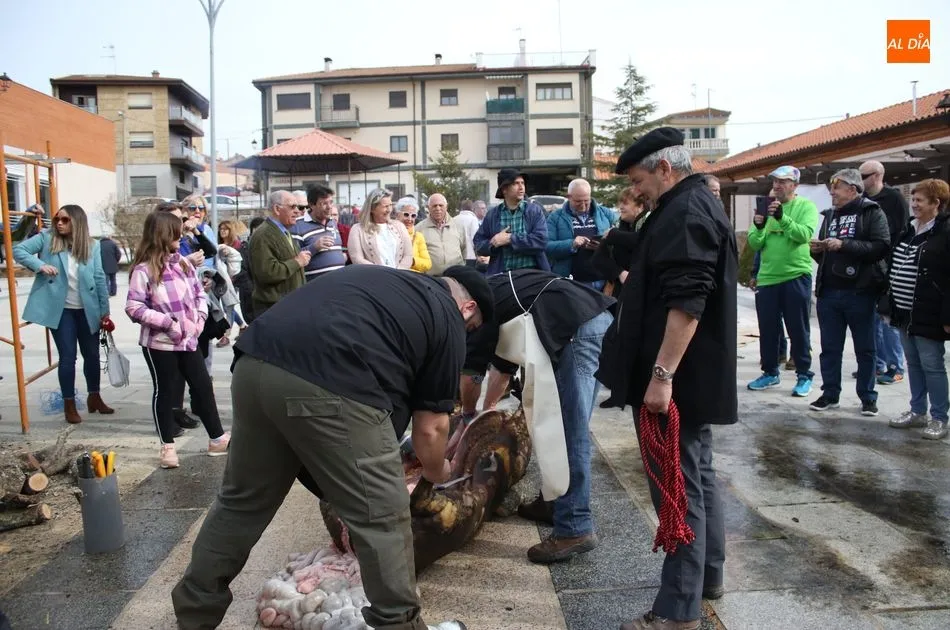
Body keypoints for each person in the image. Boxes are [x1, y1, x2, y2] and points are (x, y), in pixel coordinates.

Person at [170, 264, 491, 630]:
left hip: (253, 366)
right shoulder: (447, 315)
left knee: (240, 503)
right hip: (330, 383)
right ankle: (399, 625)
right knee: (382, 518)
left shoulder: (387, 281)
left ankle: (194, 616)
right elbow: (431, 430)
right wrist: (439, 472)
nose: (467, 335)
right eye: (472, 328)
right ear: (467, 308)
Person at [598, 128, 737, 630]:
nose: (636, 192)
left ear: (664, 168)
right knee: (697, 479)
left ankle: (678, 610)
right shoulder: (687, 204)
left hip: (679, 379)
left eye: (638, 180)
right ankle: (706, 580)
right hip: (688, 377)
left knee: (678, 492)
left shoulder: (685, 211)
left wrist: (661, 376)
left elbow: (687, 303)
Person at [462, 270, 614, 563]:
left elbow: (472, 378)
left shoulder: (478, 311)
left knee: (569, 430)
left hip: (574, 333)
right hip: (590, 321)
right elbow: (502, 371)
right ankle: (555, 502)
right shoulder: (490, 294)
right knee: (548, 419)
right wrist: (487, 409)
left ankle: (574, 526)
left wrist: (470, 416)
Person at [125, 211, 230, 469]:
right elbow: (133, 307)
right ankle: (167, 447)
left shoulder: (182, 263)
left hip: (189, 340)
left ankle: (217, 438)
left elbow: (199, 295)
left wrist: (199, 320)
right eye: (176, 230)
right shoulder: (143, 270)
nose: (181, 234)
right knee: (167, 391)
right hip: (159, 343)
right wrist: (168, 324)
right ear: (164, 233)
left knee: (202, 385)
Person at [14, 204, 113, 425]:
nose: (59, 223)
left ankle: (94, 397)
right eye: (57, 219)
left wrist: (104, 310)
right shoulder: (47, 238)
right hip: (61, 312)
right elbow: (18, 250)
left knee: (93, 356)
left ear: (77, 222)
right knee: (68, 358)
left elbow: (99, 278)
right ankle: (69, 404)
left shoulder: (92, 245)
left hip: (88, 310)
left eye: (65, 220)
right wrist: (40, 265)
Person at [808, 169, 890, 416]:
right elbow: (823, 255)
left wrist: (845, 245)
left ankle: (867, 397)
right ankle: (830, 394)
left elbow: (881, 247)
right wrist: (818, 249)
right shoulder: (831, 215)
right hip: (829, 292)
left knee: (865, 349)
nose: (832, 192)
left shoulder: (870, 211)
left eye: (837, 186)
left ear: (852, 190)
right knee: (830, 348)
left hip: (860, 292)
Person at [745, 166, 819, 398]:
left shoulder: (805, 206)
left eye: (783, 181)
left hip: (795, 275)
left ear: (795, 185)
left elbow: (804, 236)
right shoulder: (766, 207)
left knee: (798, 328)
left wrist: (782, 218)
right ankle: (770, 372)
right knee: (768, 329)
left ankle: (804, 375)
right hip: (768, 278)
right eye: (775, 181)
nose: (777, 185)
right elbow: (755, 243)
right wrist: (758, 227)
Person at [885, 178, 950, 440]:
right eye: (913, 199)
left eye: (920, 200)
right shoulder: (909, 229)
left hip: (929, 312)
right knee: (912, 363)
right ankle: (917, 411)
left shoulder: (945, 232)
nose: (914, 205)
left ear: (937, 203)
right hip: (903, 311)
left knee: (932, 365)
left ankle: (939, 417)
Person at [860, 160, 910, 385]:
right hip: (868, 267)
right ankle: (877, 364)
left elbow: (898, 232)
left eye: (864, 176)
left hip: (888, 266)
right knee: (872, 318)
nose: (860, 181)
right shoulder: (863, 201)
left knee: (887, 318)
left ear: (877, 175)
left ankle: (896, 366)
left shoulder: (894, 199)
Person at [473, 169, 550, 274]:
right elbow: (478, 244)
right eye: (516, 183)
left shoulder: (534, 210)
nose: (521, 187)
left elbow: (542, 241)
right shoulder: (493, 215)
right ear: (504, 189)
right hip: (502, 276)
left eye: (522, 183)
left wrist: (510, 239)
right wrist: (493, 243)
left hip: (532, 274)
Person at [249, 190, 310, 316]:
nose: (297, 211)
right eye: (292, 207)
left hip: (288, 305)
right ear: (277, 209)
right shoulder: (263, 235)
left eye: (298, 207)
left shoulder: (284, 231)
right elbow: (267, 273)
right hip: (274, 309)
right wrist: (297, 262)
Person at [545, 178, 613, 288]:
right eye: (578, 202)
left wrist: (603, 246)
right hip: (572, 282)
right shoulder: (555, 217)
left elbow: (619, 241)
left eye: (586, 201)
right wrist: (572, 244)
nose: (583, 206)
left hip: (603, 280)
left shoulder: (605, 214)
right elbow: (546, 246)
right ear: (569, 197)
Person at [591, 186, 649, 295]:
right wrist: (620, 273)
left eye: (625, 204)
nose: (620, 207)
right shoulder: (619, 226)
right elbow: (597, 258)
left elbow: (644, 240)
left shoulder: (649, 224)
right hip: (619, 291)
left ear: (640, 206)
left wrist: (614, 235)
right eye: (620, 203)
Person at [290, 184, 346, 280]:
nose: (329, 207)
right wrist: (314, 247)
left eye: (331, 202)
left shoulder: (332, 222)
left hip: (339, 281)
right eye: (324, 203)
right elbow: (293, 258)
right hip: (315, 285)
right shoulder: (297, 226)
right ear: (312, 205)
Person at [347, 188, 413, 269]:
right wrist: (382, 273)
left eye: (390, 205)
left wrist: (397, 273)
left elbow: (408, 255)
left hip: (398, 278)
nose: (389, 210)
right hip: (373, 279)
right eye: (385, 206)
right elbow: (357, 258)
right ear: (372, 208)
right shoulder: (357, 229)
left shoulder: (400, 226)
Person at [416, 193, 467, 274]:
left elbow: (464, 250)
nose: (438, 208)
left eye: (441, 205)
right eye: (434, 206)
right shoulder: (419, 229)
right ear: (428, 208)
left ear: (446, 207)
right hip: (431, 280)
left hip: (456, 277)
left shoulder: (458, 226)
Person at [396, 196, 432, 273]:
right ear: (397, 214)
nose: (410, 219)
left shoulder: (418, 236)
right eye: (406, 214)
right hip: (394, 276)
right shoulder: (389, 233)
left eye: (413, 216)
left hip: (413, 277)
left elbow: (428, 263)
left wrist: (411, 261)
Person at [454, 199, 480, 266]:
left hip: (456, 255)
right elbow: (475, 238)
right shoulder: (473, 219)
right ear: (472, 208)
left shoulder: (454, 219)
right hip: (470, 255)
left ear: (462, 208)